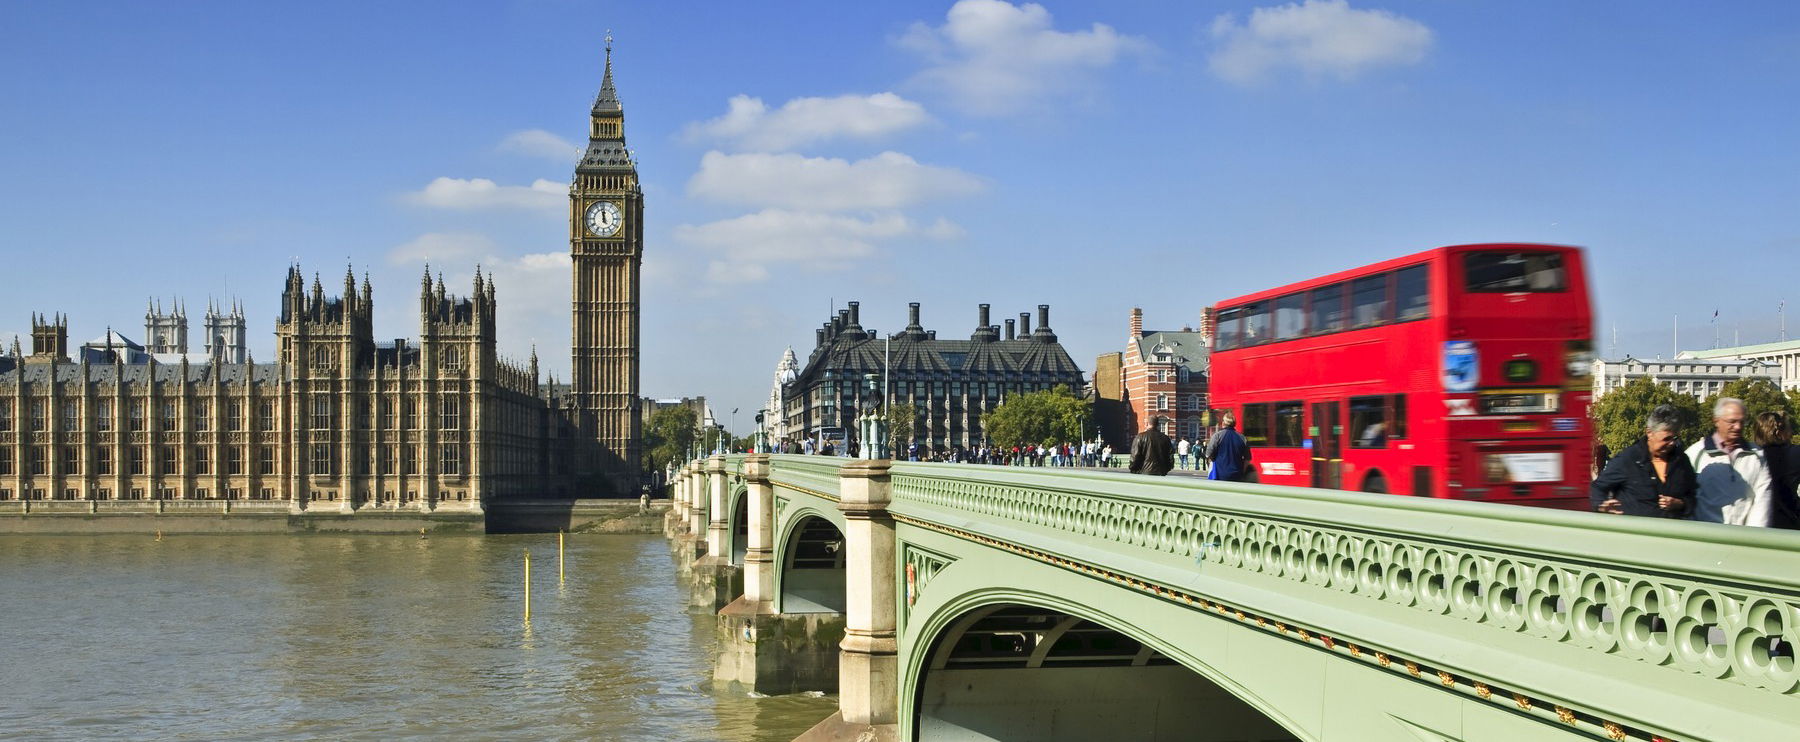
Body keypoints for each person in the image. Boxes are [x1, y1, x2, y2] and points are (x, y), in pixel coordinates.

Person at [1589, 404, 1696, 518]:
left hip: (1672, 528)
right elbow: (1597, 488)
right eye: (1666, 439)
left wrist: (1681, 504)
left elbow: (1693, 496)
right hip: (1634, 528)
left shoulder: (1682, 461)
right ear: (1649, 433)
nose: (1672, 443)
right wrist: (1601, 506)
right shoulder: (1628, 459)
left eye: (1675, 438)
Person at [1685, 397, 1773, 526]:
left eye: (1742, 422)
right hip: (1705, 534)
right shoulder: (1696, 453)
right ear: (1716, 421)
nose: (1738, 427)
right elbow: (1687, 498)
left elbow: (1762, 499)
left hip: (1744, 535)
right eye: (1732, 421)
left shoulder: (1758, 455)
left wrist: (1754, 535)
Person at [1751, 411, 1800, 529]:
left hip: (1753, 525)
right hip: (1788, 524)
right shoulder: (1794, 454)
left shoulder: (1750, 456)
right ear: (1778, 433)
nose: (1791, 434)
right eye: (1788, 430)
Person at [1206, 410, 1253, 482]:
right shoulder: (1242, 438)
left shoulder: (1217, 436)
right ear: (1234, 424)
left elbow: (1208, 454)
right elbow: (1247, 459)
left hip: (1219, 475)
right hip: (1237, 475)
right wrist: (1242, 471)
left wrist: (1214, 460)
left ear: (1223, 423)